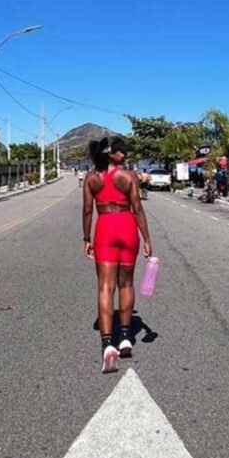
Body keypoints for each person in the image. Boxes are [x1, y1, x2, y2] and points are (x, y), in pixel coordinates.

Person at [82, 137, 153, 373]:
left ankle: (107, 344)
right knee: (126, 285)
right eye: (121, 151)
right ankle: (124, 337)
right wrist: (146, 238)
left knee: (105, 287)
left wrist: (86, 239)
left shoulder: (91, 178)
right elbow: (138, 209)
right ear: (110, 153)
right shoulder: (129, 177)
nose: (124, 154)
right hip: (127, 228)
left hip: (105, 230)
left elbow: (87, 211)